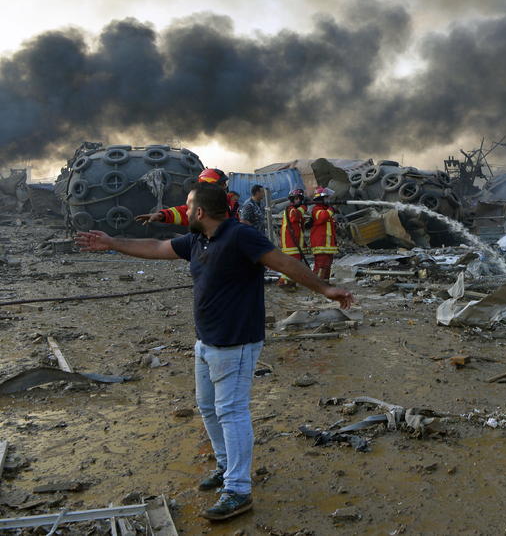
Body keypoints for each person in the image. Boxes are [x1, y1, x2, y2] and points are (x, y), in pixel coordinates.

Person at [75, 184, 354, 522]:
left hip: (236, 342)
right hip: (206, 342)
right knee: (208, 407)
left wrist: (326, 289)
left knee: (231, 412)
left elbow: (283, 262)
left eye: (188, 206)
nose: (184, 211)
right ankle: (225, 467)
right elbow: (157, 246)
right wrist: (112, 243)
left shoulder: (240, 236)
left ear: (200, 212)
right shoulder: (198, 239)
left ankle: (238, 490)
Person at [135, 167, 228, 227]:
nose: (225, 187)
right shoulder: (203, 208)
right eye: (222, 184)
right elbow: (182, 213)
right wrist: (161, 215)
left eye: (224, 184)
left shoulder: (231, 203)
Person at [277, 188, 308, 288]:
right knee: (292, 264)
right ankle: (284, 282)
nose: (298, 200)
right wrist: (303, 207)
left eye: (300, 198)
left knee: (295, 264)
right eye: (296, 198)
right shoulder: (291, 210)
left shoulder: (293, 210)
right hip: (291, 244)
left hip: (295, 243)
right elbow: (295, 216)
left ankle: (291, 283)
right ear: (292, 199)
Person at [308, 187, 338, 281]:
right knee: (321, 265)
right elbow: (323, 217)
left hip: (328, 245)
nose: (328, 200)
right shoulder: (316, 210)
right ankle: (316, 284)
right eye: (326, 198)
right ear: (320, 199)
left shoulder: (326, 211)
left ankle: (325, 283)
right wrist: (331, 209)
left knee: (327, 265)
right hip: (321, 245)